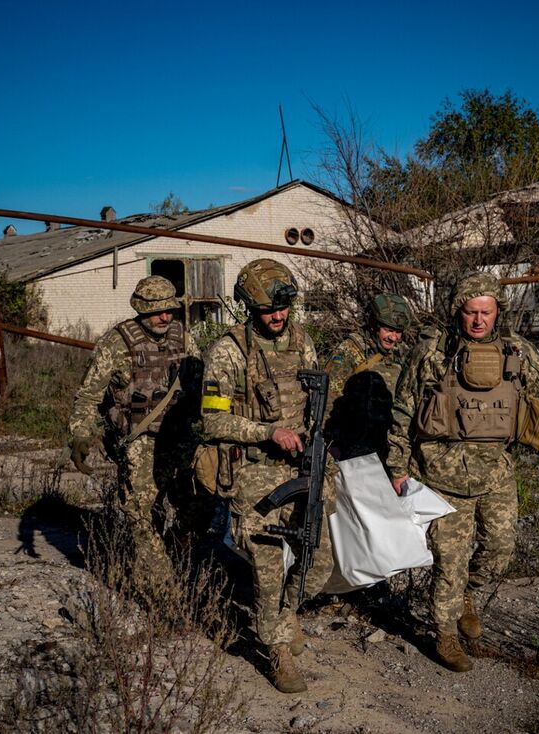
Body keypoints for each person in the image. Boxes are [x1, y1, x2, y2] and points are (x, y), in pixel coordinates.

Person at [386, 271, 539, 672]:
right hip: (443, 475)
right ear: (458, 311)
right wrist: (397, 466)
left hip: (495, 472)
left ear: (497, 312)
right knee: (449, 559)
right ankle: (444, 635)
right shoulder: (431, 354)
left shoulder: (517, 352)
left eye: (486, 312)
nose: (478, 320)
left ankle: (467, 596)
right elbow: (403, 411)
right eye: (471, 312)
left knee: (500, 549)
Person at [200, 258, 335, 694]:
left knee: (320, 560)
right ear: (248, 309)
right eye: (268, 311)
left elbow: (316, 405)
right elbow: (212, 421)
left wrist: (318, 445)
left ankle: (285, 613)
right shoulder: (228, 351)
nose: (278, 317)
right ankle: (274, 649)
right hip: (256, 470)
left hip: (303, 467)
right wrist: (267, 432)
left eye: (284, 309)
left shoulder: (302, 340)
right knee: (267, 566)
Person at [66, 275, 203, 598]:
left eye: (169, 310)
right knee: (141, 514)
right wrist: (80, 437)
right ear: (141, 310)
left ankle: (171, 552)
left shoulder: (183, 338)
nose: (164, 317)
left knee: (197, 507)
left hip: (181, 437)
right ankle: (162, 590)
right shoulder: (117, 343)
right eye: (157, 311)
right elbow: (88, 396)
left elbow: (203, 387)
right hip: (139, 440)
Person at [323, 293, 414, 462]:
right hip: (353, 446)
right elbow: (329, 399)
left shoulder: (401, 353)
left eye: (398, 332)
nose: (393, 337)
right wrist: (331, 442)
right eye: (388, 329)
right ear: (373, 324)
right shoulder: (351, 350)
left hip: (388, 445)